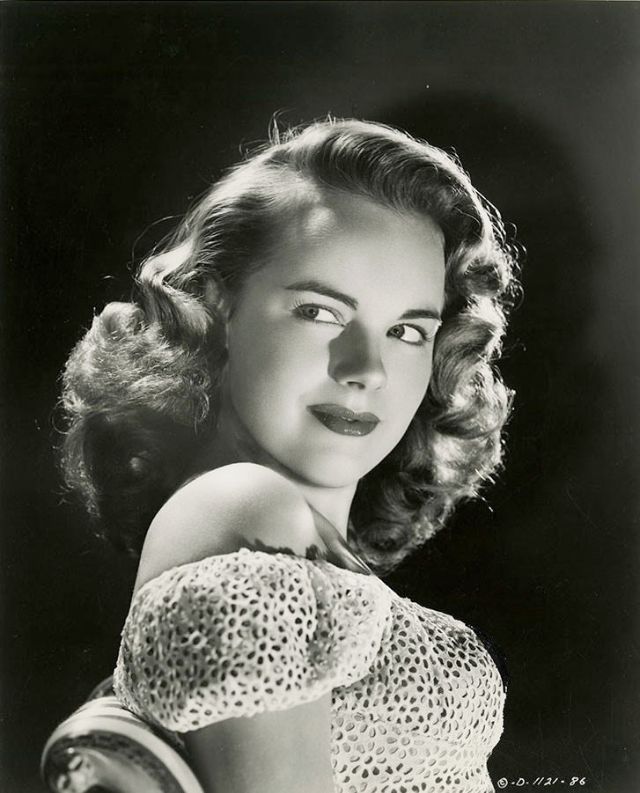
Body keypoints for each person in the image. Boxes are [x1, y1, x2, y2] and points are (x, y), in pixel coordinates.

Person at [60, 117, 518, 793]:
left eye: (406, 330)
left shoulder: (292, 537)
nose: (366, 370)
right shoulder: (242, 506)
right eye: (319, 312)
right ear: (218, 308)